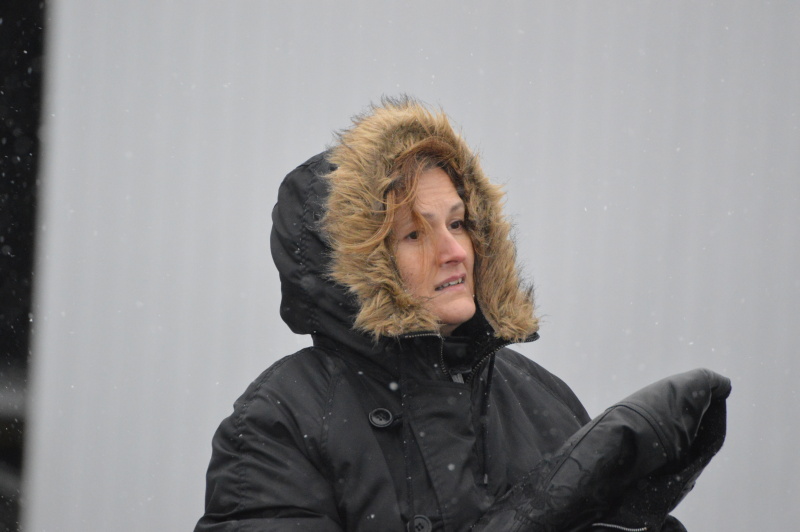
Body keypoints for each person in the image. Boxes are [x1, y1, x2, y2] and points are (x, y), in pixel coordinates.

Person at [195, 97, 730, 532]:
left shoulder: (541, 397)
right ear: (357, 267)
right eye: (413, 234)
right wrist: (533, 515)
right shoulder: (282, 419)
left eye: (457, 223)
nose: (454, 251)